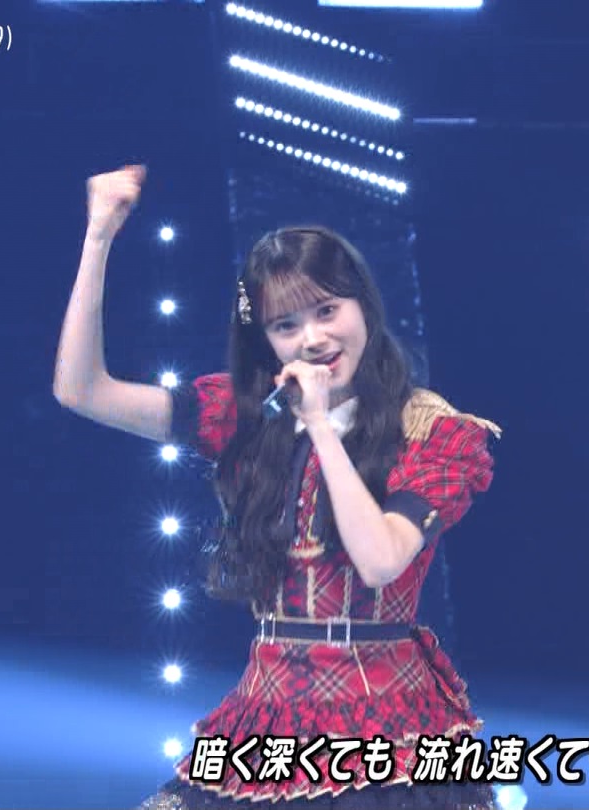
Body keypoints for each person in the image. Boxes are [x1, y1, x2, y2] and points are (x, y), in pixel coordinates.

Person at [53, 165, 502, 809]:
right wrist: (98, 236)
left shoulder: (432, 430)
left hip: (388, 724)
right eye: (285, 325)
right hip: (265, 716)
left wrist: (319, 424)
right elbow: (82, 390)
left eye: (327, 311)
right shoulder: (245, 417)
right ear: (264, 340)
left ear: (364, 307)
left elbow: (380, 560)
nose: (313, 339)